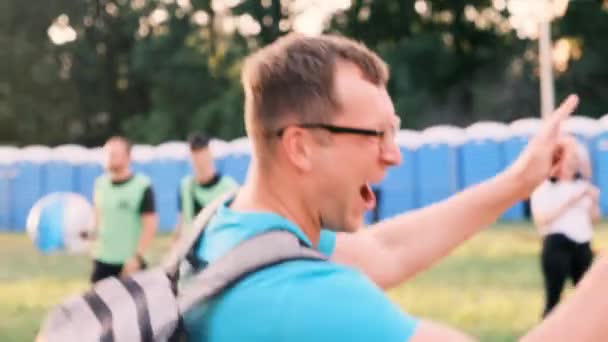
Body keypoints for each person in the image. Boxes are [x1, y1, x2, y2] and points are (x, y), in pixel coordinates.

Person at [184, 33, 608, 341]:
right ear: (300, 146)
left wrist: (517, 182)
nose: (394, 155)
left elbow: (384, 252)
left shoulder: (226, 231)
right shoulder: (305, 300)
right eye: (376, 135)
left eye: (395, 131)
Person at [531, 135, 601, 317]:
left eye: (576, 159)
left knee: (587, 298)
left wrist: (593, 202)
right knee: (554, 297)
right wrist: (570, 201)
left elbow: (594, 219)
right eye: (571, 159)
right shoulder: (544, 189)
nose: (574, 163)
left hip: (583, 244)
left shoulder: (582, 186)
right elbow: (542, 220)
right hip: (557, 243)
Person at [89, 136, 158, 283]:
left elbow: (150, 225)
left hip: (130, 262)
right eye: (107, 154)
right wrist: (89, 236)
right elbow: (98, 217)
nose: (109, 158)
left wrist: (137, 257)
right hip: (103, 259)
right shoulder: (100, 184)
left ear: (128, 157)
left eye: (114, 154)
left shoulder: (142, 186)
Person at [172, 132, 238, 243]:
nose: (200, 162)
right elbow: (182, 221)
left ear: (209, 154)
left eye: (202, 156)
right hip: (192, 251)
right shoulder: (185, 186)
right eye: (195, 158)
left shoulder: (229, 187)